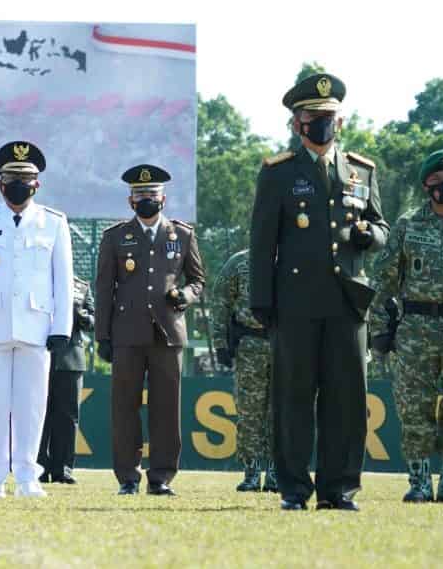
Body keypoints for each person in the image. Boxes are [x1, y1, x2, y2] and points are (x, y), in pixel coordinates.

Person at [250, 73, 388, 511]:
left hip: (348, 302)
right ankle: (293, 488)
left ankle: (339, 489)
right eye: (313, 117)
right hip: (295, 303)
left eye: (329, 117)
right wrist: (262, 301)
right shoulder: (279, 173)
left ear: (340, 121)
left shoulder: (361, 170)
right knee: (293, 398)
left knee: (347, 401)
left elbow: (381, 226)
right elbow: (261, 243)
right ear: (297, 124)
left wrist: (371, 234)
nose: (322, 124)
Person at [0, 141, 73, 498]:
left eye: (25, 177)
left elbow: (63, 279)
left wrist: (61, 328)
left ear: (37, 183)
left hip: (36, 325)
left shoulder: (53, 222)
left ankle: (27, 476)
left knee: (32, 403)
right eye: (11, 177)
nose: (18, 184)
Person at [95, 164, 204, 497]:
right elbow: (104, 289)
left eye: (152, 195)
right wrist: (102, 336)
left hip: (167, 334)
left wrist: (184, 296)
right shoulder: (115, 237)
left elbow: (198, 281)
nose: (146, 200)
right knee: (124, 408)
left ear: (164, 198)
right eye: (140, 195)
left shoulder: (182, 235)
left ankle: (161, 477)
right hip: (127, 334)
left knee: (166, 409)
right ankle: (128, 477)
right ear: (130, 200)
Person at [371, 148, 443, 503]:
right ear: (426, 184)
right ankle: (417, 481)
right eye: (438, 180)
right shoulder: (408, 225)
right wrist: (380, 330)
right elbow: (383, 281)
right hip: (416, 328)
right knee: (415, 406)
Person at [209, 249, 276, 492]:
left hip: (286, 346)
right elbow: (221, 303)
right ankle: (251, 470)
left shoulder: (294, 259)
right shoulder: (239, 263)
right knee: (249, 413)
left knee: (281, 412)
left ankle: (275, 472)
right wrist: (220, 344)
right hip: (249, 346)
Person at [38, 275, 95, 485]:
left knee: (68, 417)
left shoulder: (81, 286)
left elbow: (92, 321)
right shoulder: (39, 278)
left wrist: (80, 314)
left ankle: (63, 469)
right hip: (42, 355)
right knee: (39, 414)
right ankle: (39, 467)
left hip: (71, 359)